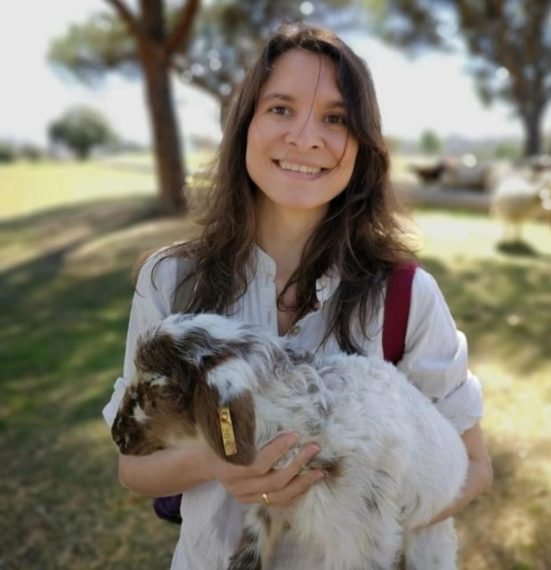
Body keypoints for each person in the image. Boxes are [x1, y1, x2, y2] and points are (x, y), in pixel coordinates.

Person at [103, 23, 492, 569]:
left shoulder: (408, 296)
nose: (306, 138)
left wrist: (365, 514)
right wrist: (217, 465)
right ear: (245, 124)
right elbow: (133, 466)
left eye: (335, 118)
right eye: (281, 108)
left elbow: (473, 467)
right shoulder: (171, 280)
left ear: (361, 145)